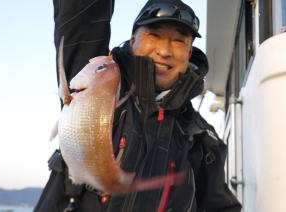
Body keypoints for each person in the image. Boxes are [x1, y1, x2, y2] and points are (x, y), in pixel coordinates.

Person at [35, 0, 242, 211]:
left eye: (179, 41)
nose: (165, 51)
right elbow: (81, 17)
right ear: (133, 40)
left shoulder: (202, 138)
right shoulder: (100, 79)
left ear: (189, 54)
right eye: (154, 35)